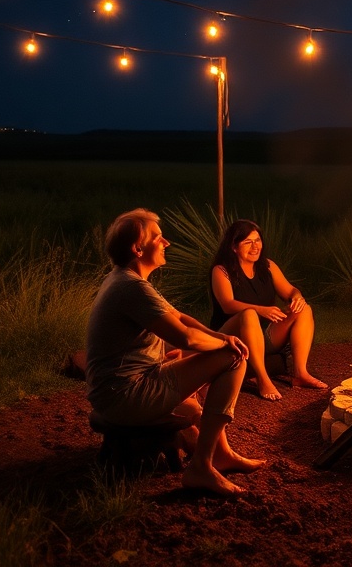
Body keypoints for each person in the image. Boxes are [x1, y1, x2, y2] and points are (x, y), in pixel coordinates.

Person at [85, 209, 264, 496]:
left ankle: (222, 454)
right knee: (233, 359)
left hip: (116, 390)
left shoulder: (125, 279)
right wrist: (226, 345)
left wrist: (220, 335)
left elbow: (179, 317)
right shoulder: (132, 288)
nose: (166, 242)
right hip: (125, 396)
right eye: (158, 237)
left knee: (192, 402)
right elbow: (185, 337)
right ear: (137, 248)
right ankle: (201, 467)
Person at [209, 218, 326, 401]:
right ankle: (263, 380)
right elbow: (227, 304)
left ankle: (300, 374)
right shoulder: (221, 271)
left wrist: (297, 297)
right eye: (248, 242)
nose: (255, 246)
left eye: (258, 240)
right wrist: (260, 310)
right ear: (234, 246)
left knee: (304, 309)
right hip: (230, 337)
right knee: (248, 314)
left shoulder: (268, 266)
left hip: (263, 335)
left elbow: (291, 291)